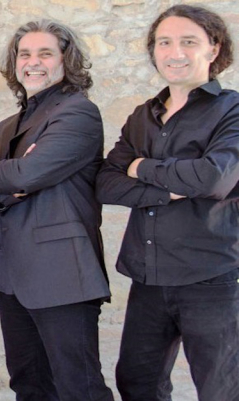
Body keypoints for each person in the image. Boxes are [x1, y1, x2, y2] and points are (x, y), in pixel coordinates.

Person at [0, 20, 113, 401]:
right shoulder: (5, 128)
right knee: (29, 386)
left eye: (45, 53)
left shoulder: (78, 113)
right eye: (25, 54)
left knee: (80, 389)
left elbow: (28, 173)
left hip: (62, 276)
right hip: (11, 276)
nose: (33, 62)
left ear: (66, 60)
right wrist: (5, 181)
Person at [96, 5, 239, 400]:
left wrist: (140, 166)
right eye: (164, 42)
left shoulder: (232, 110)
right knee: (137, 383)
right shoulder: (143, 116)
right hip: (148, 279)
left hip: (210, 278)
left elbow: (213, 178)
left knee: (221, 391)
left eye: (188, 41)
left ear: (213, 49)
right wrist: (171, 187)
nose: (175, 52)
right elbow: (106, 184)